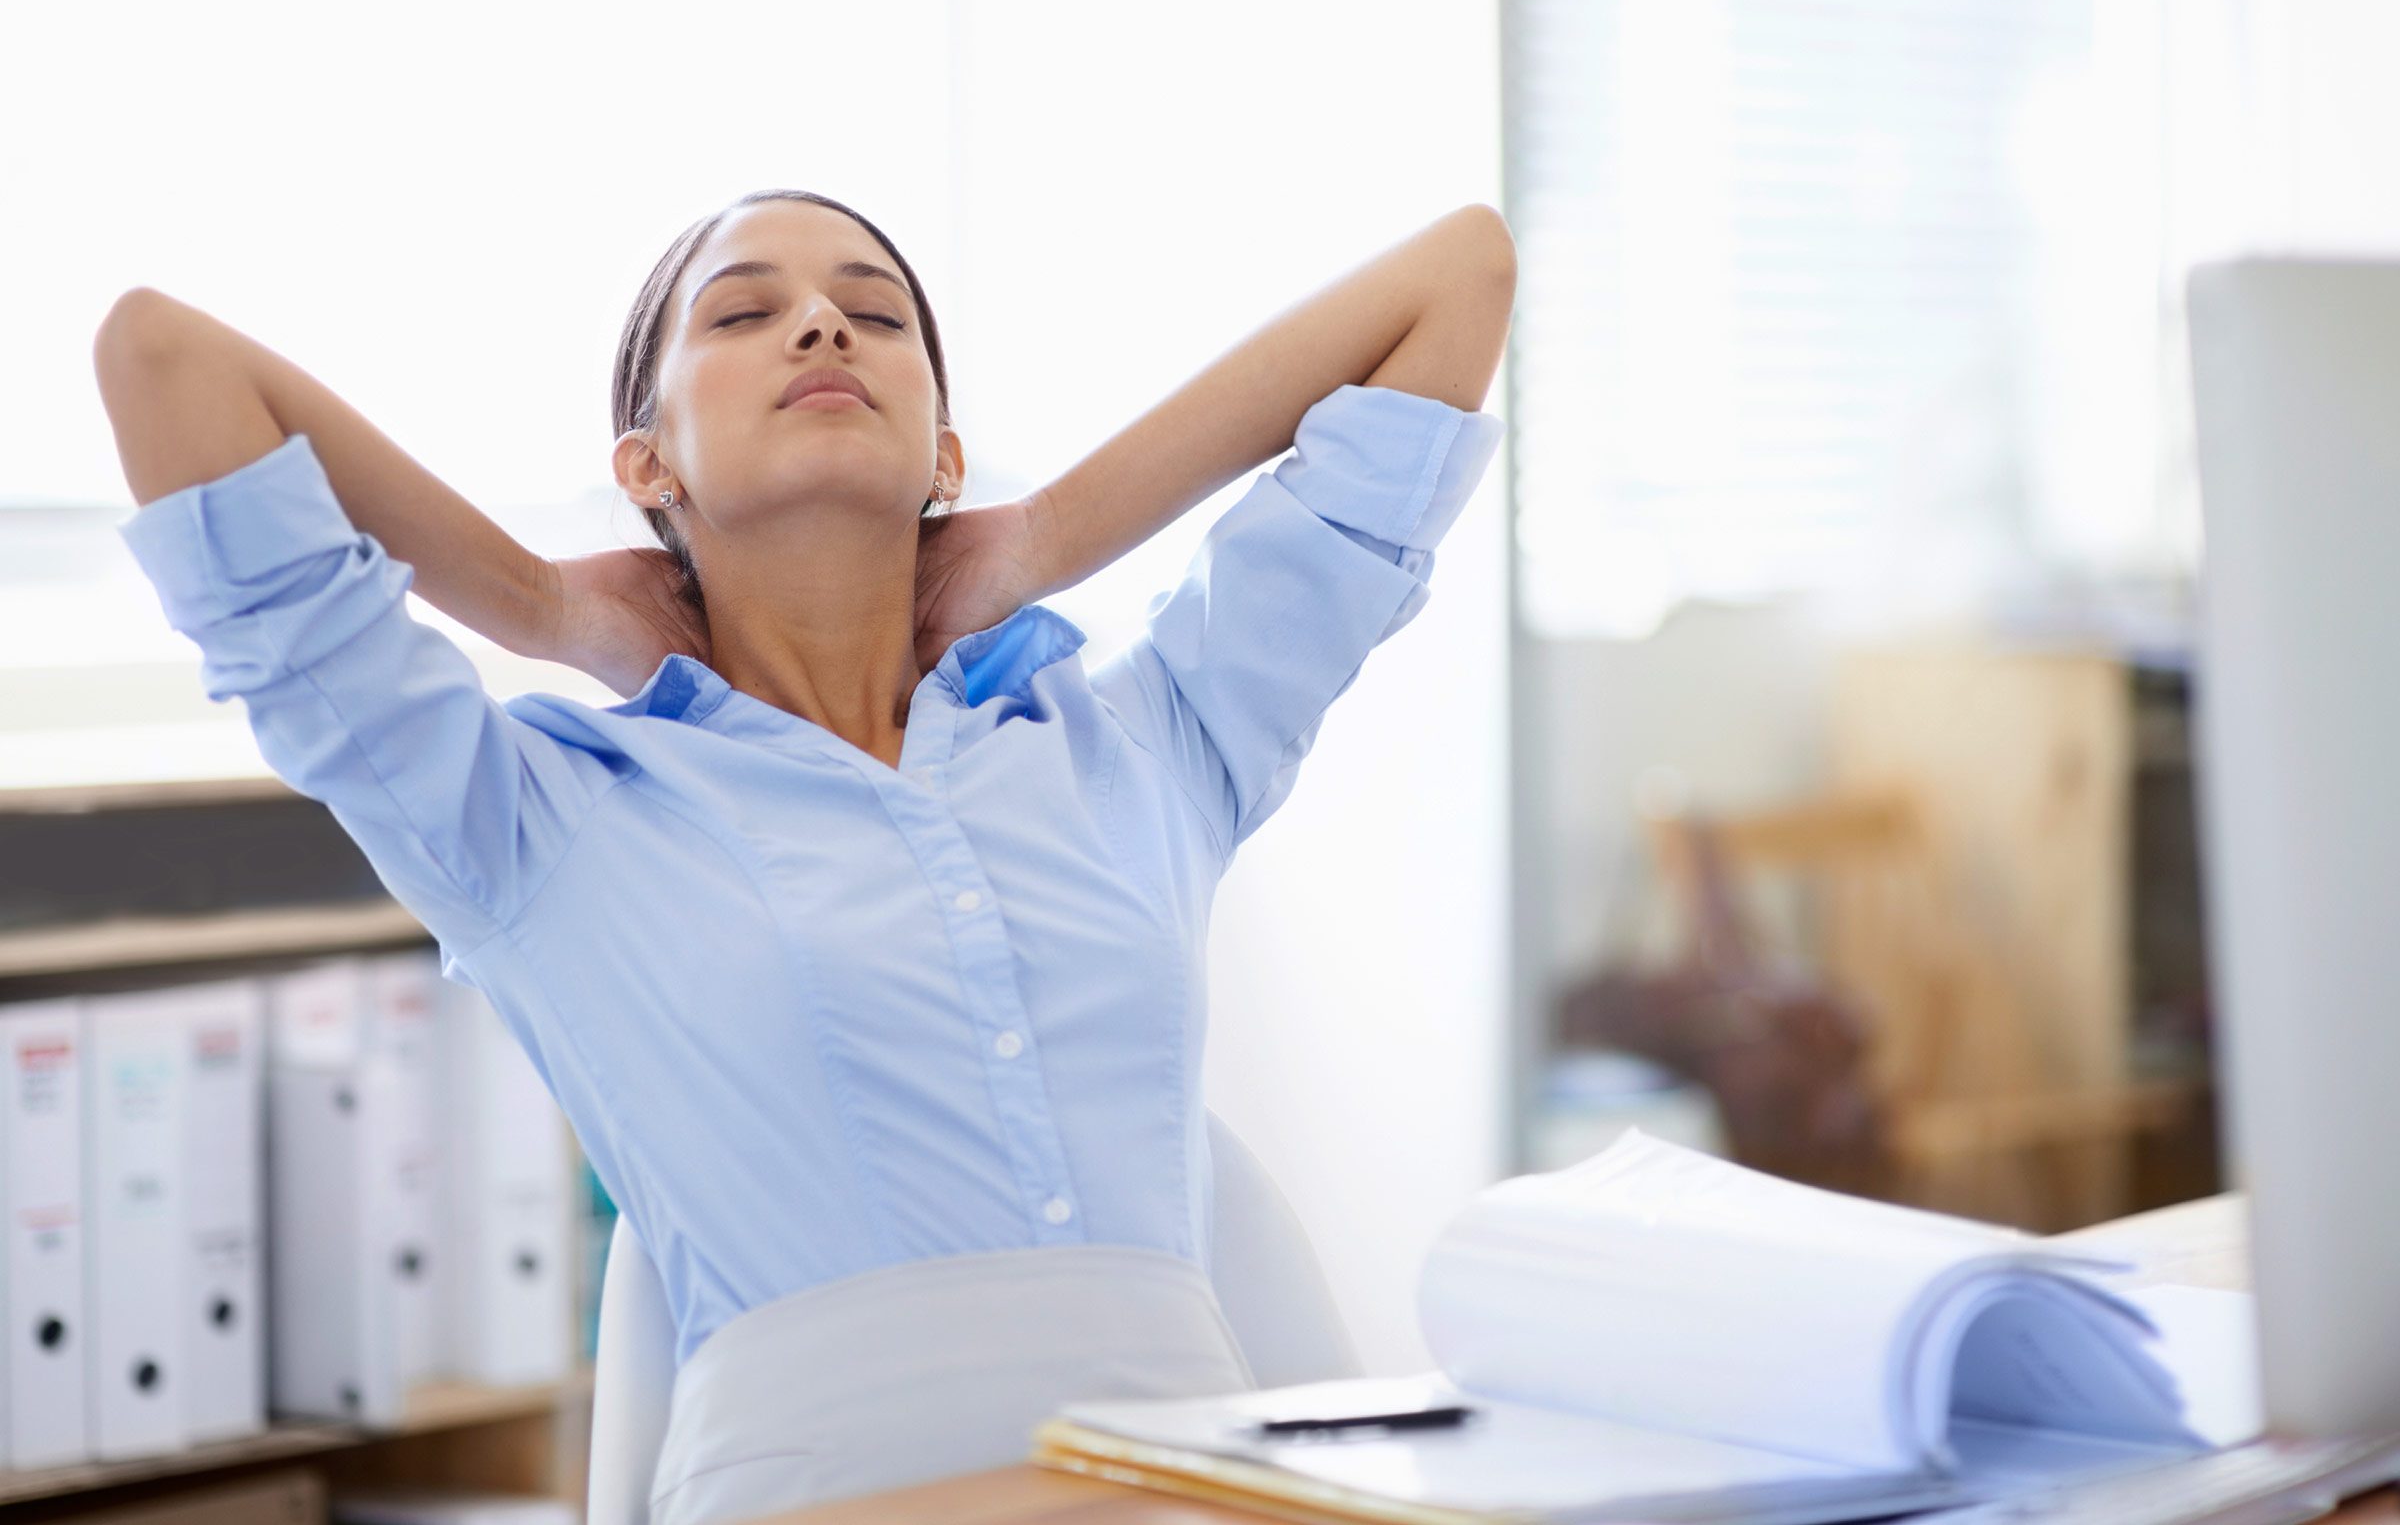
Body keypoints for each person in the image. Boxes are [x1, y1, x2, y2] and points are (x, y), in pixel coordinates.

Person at [94, 190, 1515, 1519]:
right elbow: (166, 363)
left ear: (945, 453)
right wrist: (535, 603)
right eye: (740, 312)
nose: (823, 327)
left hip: (1181, 1489)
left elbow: (1456, 281)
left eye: (876, 312)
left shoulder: (1142, 745)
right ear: (645, 464)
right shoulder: (540, 817)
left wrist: (1049, 537)